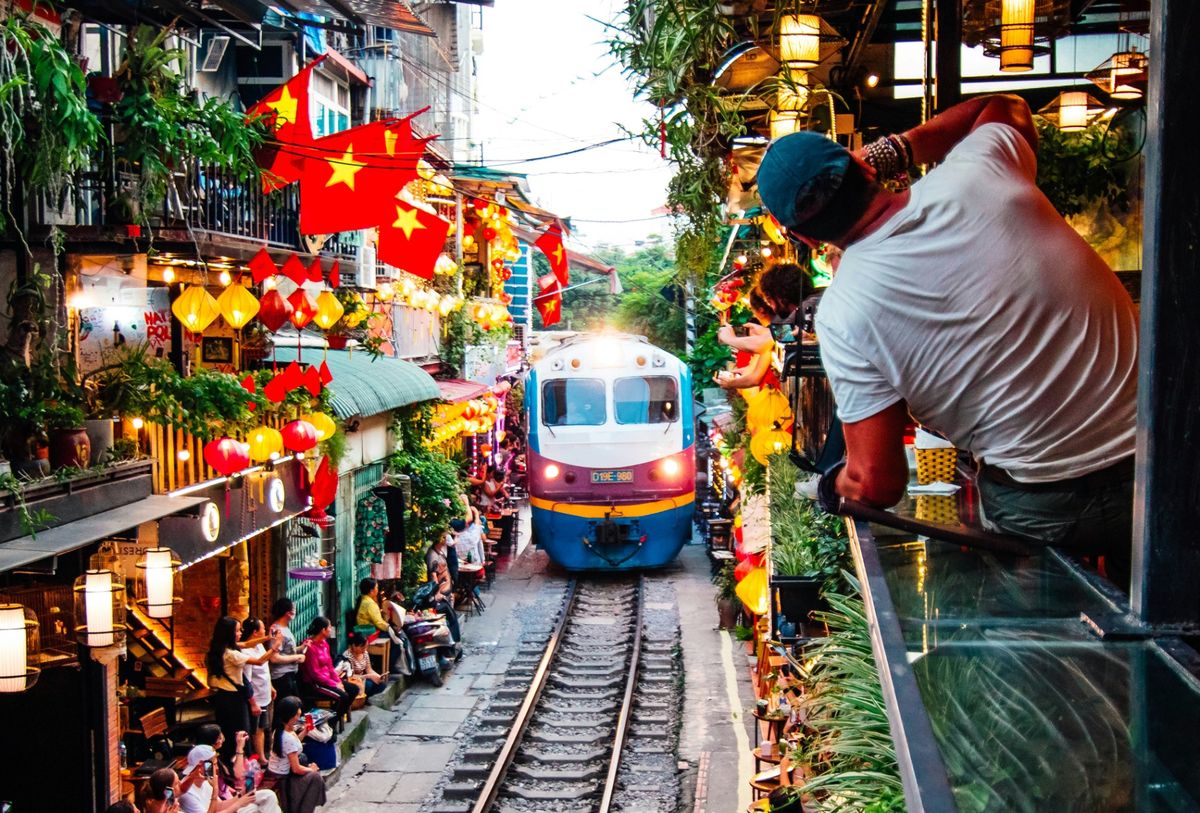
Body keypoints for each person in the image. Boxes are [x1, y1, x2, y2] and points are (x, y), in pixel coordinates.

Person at [756, 93, 1138, 587]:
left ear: (805, 238)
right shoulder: (981, 172)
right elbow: (1004, 107)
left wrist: (832, 486)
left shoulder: (844, 313)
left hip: (1047, 506)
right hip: (1168, 452)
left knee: (1057, 639)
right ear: (866, 168)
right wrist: (900, 147)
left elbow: (875, 482)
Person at [206, 617, 279, 763]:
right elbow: (259, 661)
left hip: (222, 697)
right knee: (241, 733)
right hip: (233, 700)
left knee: (229, 733)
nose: (241, 633)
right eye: (238, 630)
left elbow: (246, 643)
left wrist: (267, 638)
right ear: (229, 633)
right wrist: (274, 647)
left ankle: (234, 764)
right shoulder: (231, 654)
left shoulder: (219, 648)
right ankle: (238, 766)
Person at [266, 696, 326, 813]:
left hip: (279, 771)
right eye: (298, 715)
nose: (299, 717)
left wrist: (305, 731)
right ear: (292, 716)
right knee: (315, 777)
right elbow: (296, 768)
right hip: (283, 777)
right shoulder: (287, 736)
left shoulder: (282, 730)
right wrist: (312, 770)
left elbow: (293, 747)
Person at [298, 616, 360, 722]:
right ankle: (331, 723)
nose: (331, 629)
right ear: (323, 630)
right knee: (343, 697)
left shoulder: (325, 644)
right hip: (315, 684)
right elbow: (315, 674)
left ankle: (332, 718)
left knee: (354, 689)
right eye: (329, 627)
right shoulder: (310, 647)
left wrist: (337, 682)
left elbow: (330, 667)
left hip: (328, 680)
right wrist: (334, 684)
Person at [714, 290, 777, 390]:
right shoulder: (773, 331)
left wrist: (729, 384)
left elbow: (754, 379)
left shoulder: (770, 337)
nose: (753, 314)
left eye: (751, 309)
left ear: (761, 310)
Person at [240, 619, 275, 765]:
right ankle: (259, 757)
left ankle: (263, 755)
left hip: (265, 693)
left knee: (263, 727)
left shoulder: (259, 645)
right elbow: (247, 679)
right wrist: (252, 701)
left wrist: (271, 686)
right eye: (262, 628)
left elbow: (265, 669)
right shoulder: (245, 652)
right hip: (256, 696)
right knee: (256, 729)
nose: (264, 630)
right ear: (255, 632)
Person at [423, 533, 462, 644]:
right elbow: (433, 574)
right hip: (441, 593)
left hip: (446, 591)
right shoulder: (433, 554)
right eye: (444, 537)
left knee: (451, 617)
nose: (446, 539)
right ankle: (452, 644)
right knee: (450, 618)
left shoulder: (440, 551)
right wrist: (437, 592)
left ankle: (452, 644)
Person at [267, 599, 308, 701]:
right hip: (281, 676)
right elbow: (274, 658)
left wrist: (300, 648)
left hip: (289, 674)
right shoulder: (278, 630)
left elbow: (285, 651)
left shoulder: (285, 628)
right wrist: (297, 656)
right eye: (293, 609)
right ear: (288, 613)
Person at [341, 632, 386, 697]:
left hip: (363, 677)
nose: (364, 650)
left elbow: (369, 669)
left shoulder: (365, 653)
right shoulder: (347, 656)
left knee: (381, 684)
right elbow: (350, 676)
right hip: (353, 680)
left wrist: (378, 676)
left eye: (366, 647)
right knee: (368, 684)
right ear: (354, 646)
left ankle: (365, 698)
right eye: (362, 647)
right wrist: (369, 676)